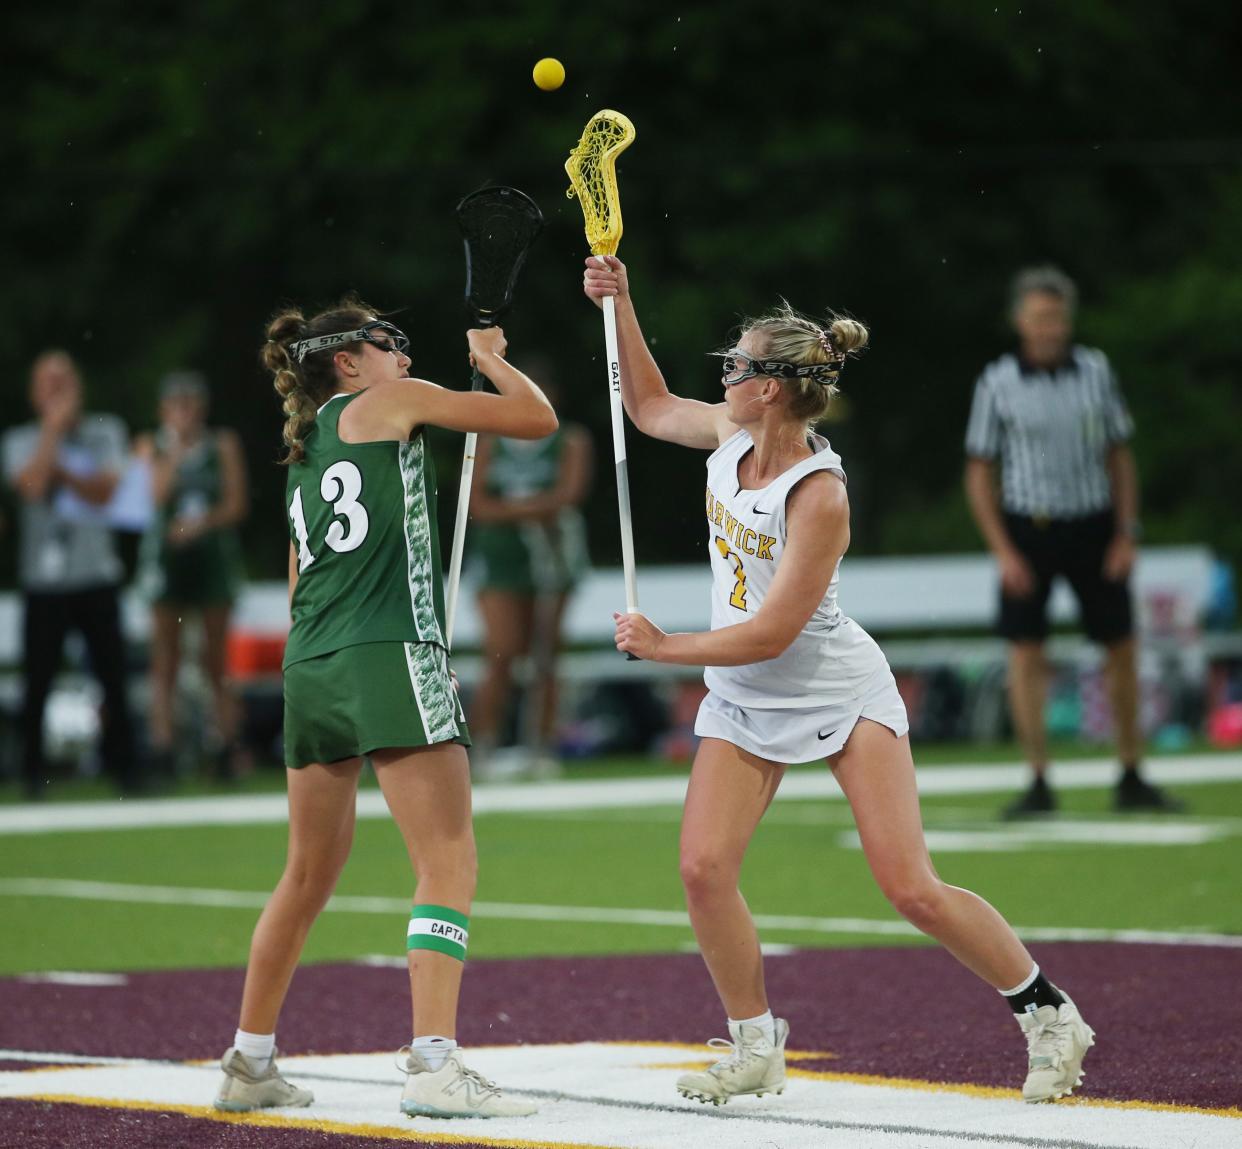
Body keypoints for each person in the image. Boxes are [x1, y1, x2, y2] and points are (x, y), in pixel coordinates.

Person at [582, 255, 1095, 1107]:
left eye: (738, 366)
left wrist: (665, 648)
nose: (727, 375)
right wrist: (622, 302)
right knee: (705, 869)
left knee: (908, 885)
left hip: (831, 686)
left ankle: (1047, 1013)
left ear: (773, 389)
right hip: (747, 691)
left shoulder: (818, 493)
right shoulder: (730, 435)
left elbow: (776, 630)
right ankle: (756, 1045)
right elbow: (646, 406)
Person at [213, 299, 554, 1119]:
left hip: (313, 663)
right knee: (448, 858)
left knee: (304, 875)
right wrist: (491, 355)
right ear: (348, 361)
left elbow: (302, 581)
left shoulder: (302, 449)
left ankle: (249, 1061)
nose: (403, 354)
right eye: (387, 342)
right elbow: (536, 419)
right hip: (390, 649)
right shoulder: (389, 403)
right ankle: (435, 1063)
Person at [964, 266, 1182, 818]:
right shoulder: (997, 382)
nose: (1050, 328)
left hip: (1093, 524)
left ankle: (1131, 770)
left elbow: (1120, 453)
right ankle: (1038, 777)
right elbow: (979, 469)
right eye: (1040, 317)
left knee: (1121, 647)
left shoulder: (1095, 372)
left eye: (1057, 317)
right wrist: (1003, 550)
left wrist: (1126, 532)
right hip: (1029, 528)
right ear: (1019, 321)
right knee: (1025, 651)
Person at [1, 350, 141, 797]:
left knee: (112, 676)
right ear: (34, 393)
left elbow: (108, 492)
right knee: (38, 678)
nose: (58, 391)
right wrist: (52, 435)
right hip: (44, 581)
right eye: (49, 383)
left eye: (65, 381)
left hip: (96, 574)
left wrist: (61, 468)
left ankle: (126, 769)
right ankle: (31, 772)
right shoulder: (19, 440)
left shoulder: (107, 430)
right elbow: (31, 487)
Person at [468, 370, 592, 778]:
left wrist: (513, 508)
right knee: (502, 650)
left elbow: (568, 496)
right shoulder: (489, 443)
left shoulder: (569, 440)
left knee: (546, 652)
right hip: (500, 557)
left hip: (552, 554)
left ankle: (542, 745)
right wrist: (530, 509)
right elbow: (477, 506)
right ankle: (481, 744)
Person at [135, 371, 249, 779]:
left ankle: (225, 745)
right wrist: (177, 452)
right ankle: (163, 747)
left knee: (216, 658)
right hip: (167, 563)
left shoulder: (222, 445)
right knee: (165, 657)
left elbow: (236, 503)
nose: (185, 413)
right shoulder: (152, 446)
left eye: (191, 405)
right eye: (177, 405)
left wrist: (202, 524)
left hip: (212, 559)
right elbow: (154, 497)